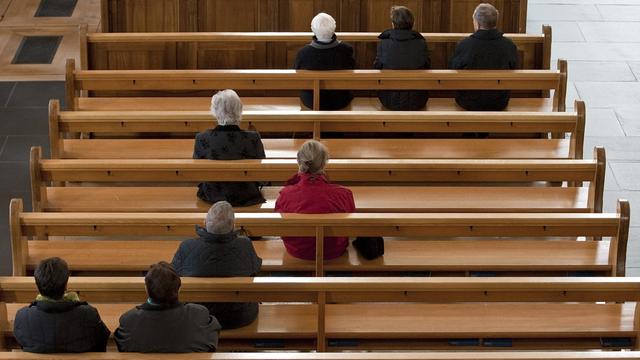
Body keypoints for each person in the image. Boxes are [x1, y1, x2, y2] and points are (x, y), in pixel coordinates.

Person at [172, 201, 262, 329]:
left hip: (198, 315)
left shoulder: (187, 246)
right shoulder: (245, 245)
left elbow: (174, 276)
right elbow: (255, 270)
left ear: (205, 222)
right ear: (233, 226)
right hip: (239, 315)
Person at [275, 140, 355, 260]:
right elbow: (350, 225)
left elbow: (279, 228)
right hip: (333, 250)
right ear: (324, 163)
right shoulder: (344, 194)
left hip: (298, 250)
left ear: (299, 162)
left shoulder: (285, 195)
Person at [115, 262, 220, 353]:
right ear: (179, 288)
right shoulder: (199, 315)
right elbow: (211, 342)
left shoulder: (129, 321)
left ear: (146, 289)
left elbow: (123, 347)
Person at [13, 257, 110, 353]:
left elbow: (22, 344)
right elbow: (101, 343)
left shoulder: (22, 317)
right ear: (66, 284)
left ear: (37, 283)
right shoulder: (89, 314)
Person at [194, 89, 266, 206]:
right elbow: (262, 176)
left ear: (215, 112)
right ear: (239, 111)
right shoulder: (253, 138)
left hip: (212, 195)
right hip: (246, 194)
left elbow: (198, 174)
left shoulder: (202, 138)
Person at [449, 3, 518, 111]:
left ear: (477, 23)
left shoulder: (464, 45)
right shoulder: (509, 45)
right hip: (499, 101)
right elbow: (514, 67)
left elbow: (454, 69)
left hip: (469, 101)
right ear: (495, 22)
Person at [294, 13, 356, 110]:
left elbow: (297, 76)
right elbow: (353, 70)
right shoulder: (346, 50)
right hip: (340, 100)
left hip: (311, 101)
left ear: (313, 30)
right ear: (334, 28)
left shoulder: (303, 53)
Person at [374, 5, 430, 110]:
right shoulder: (421, 43)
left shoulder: (384, 43)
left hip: (389, 99)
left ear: (393, 24)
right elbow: (427, 66)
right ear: (412, 23)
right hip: (417, 100)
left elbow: (377, 67)